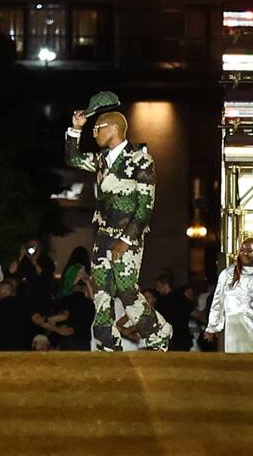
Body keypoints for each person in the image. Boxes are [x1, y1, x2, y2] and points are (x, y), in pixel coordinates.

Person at [66, 97, 171, 351]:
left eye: (97, 129)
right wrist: (76, 130)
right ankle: (106, 342)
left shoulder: (140, 160)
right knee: (101, 290)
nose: (94, 133)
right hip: (103, 235)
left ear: (112, 129)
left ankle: (157, 333)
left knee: (125, 289)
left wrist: (126, 239)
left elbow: (145, 206)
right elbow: (74, 159)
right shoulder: (102, 159)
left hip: (128, 236)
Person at [203, 238, 253, 353]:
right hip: (233, 325)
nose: (245, 253)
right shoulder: (227, 274)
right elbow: (218, 301)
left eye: (250, 250)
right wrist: (212, 326)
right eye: (242, 250)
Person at [153, 275, 194, 352]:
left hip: (169, 339)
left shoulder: (162, 302)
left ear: (165, 285)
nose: (157, 289)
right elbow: (191, 312)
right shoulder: (182, 298)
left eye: (158, 286)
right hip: (183, 338)